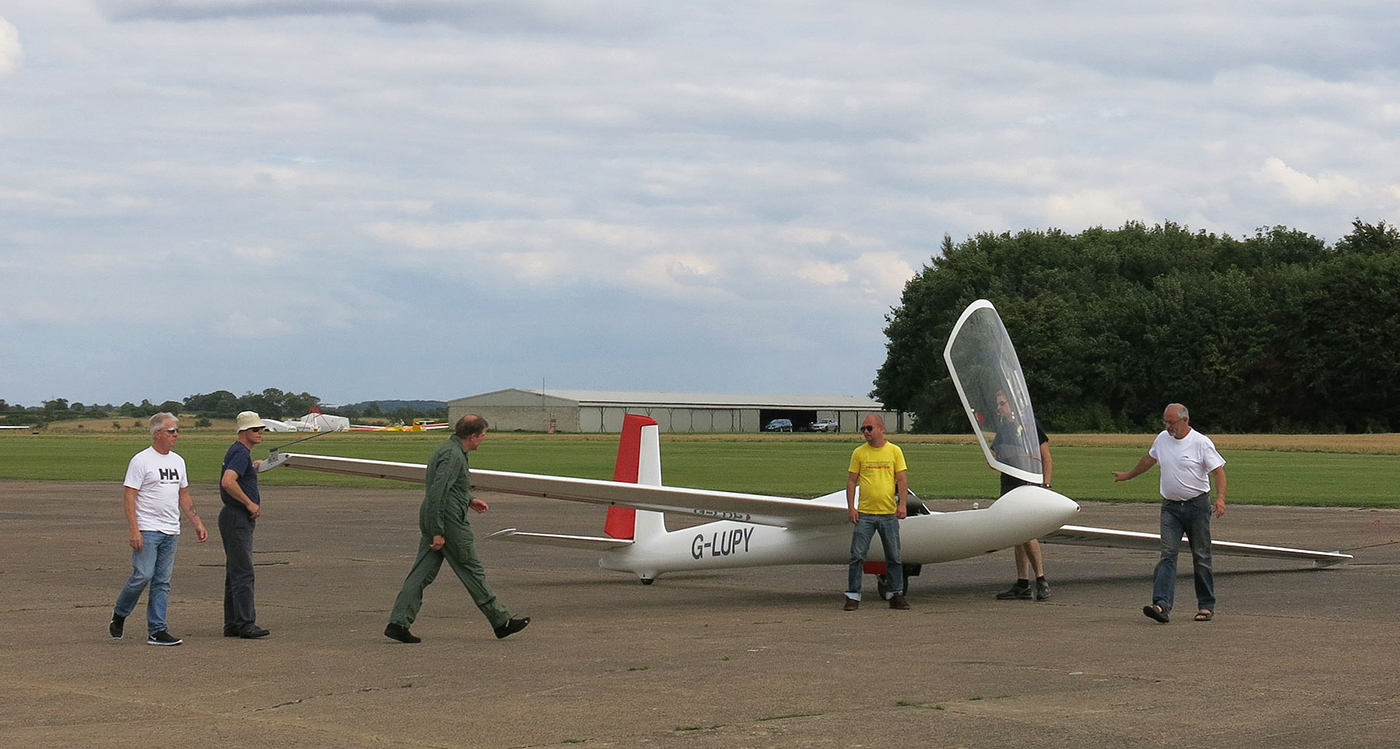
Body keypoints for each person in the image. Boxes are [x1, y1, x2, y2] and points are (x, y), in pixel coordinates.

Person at [384, 415, 529, 643]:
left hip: (437, 518)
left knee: (421, 574)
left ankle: (398, 622)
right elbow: (437, 493)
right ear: (472, 436)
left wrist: (469, 500)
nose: (482, 440)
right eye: (482, 436)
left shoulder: (448, 450)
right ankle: (500, 621)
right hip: (448, 523)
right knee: (472, 570)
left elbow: (447, 488)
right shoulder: (453, 456)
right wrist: (438, 531)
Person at [1112, 403, 1227, 624]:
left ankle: (1205, 605)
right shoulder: (1162, 439)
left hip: (1197, 506)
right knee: (1167, 555)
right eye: (1165, 421)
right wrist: (1128, 475)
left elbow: (1218, 472)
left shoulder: (1201, 443)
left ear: (1185, 420)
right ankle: (1161, 605)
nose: (1167, 426)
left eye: (1171, 422)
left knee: (1201, 556)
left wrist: (1220, 499)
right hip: (1171, 508)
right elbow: (1149, 459)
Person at [109, 413, 208, 645]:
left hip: (171, 529)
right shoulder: (141, 460)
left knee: (162, 581)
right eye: (171, 431)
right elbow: (129, 496)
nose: (176, 435)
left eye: (177, 431)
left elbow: (183, 494)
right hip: (148, 529)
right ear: (157, 434)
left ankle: (157, 630)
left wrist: (197, 521)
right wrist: (134, 529)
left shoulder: (178, 461)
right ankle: (120, 613)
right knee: (143, 575)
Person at [990, 392, 1054, 601]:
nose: (999, 408)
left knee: (1027, 533)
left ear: (1012, 404)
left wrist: (1045, 484)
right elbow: (996, 456)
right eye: (998, 405)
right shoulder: (1004, 429)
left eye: (1002, 403)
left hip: (1028, 485)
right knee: (1017, 535)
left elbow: (1046, 457)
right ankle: (1023, 583)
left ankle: (1041, 580)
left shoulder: (1030, 425)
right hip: (1009, 486)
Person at [843, 414, 910, 611]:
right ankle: (853, 594)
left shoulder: (894, 451)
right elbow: (852, 481)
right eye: (863, 429)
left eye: (869, 428)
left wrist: (903, 505)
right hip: (865, 513)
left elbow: (902, 480)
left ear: (881, 429)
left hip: (888, 514)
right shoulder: (859, 453)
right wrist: (851, 508)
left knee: (894, 556)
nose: (866, 432)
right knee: (857, 555)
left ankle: (896, 593)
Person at [219, 411, 270, 639]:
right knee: (243, 573)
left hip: (232, 517)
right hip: (237, 517)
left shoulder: (239, 453)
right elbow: (228, 482)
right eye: (255, 430)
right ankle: (246, 623)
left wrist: (252, 467)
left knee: (234, 572)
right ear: (243, 432)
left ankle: (233, 623)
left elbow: (237, 473)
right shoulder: (240, 452)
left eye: (261, 429)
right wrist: (249, 503)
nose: (260, 433)